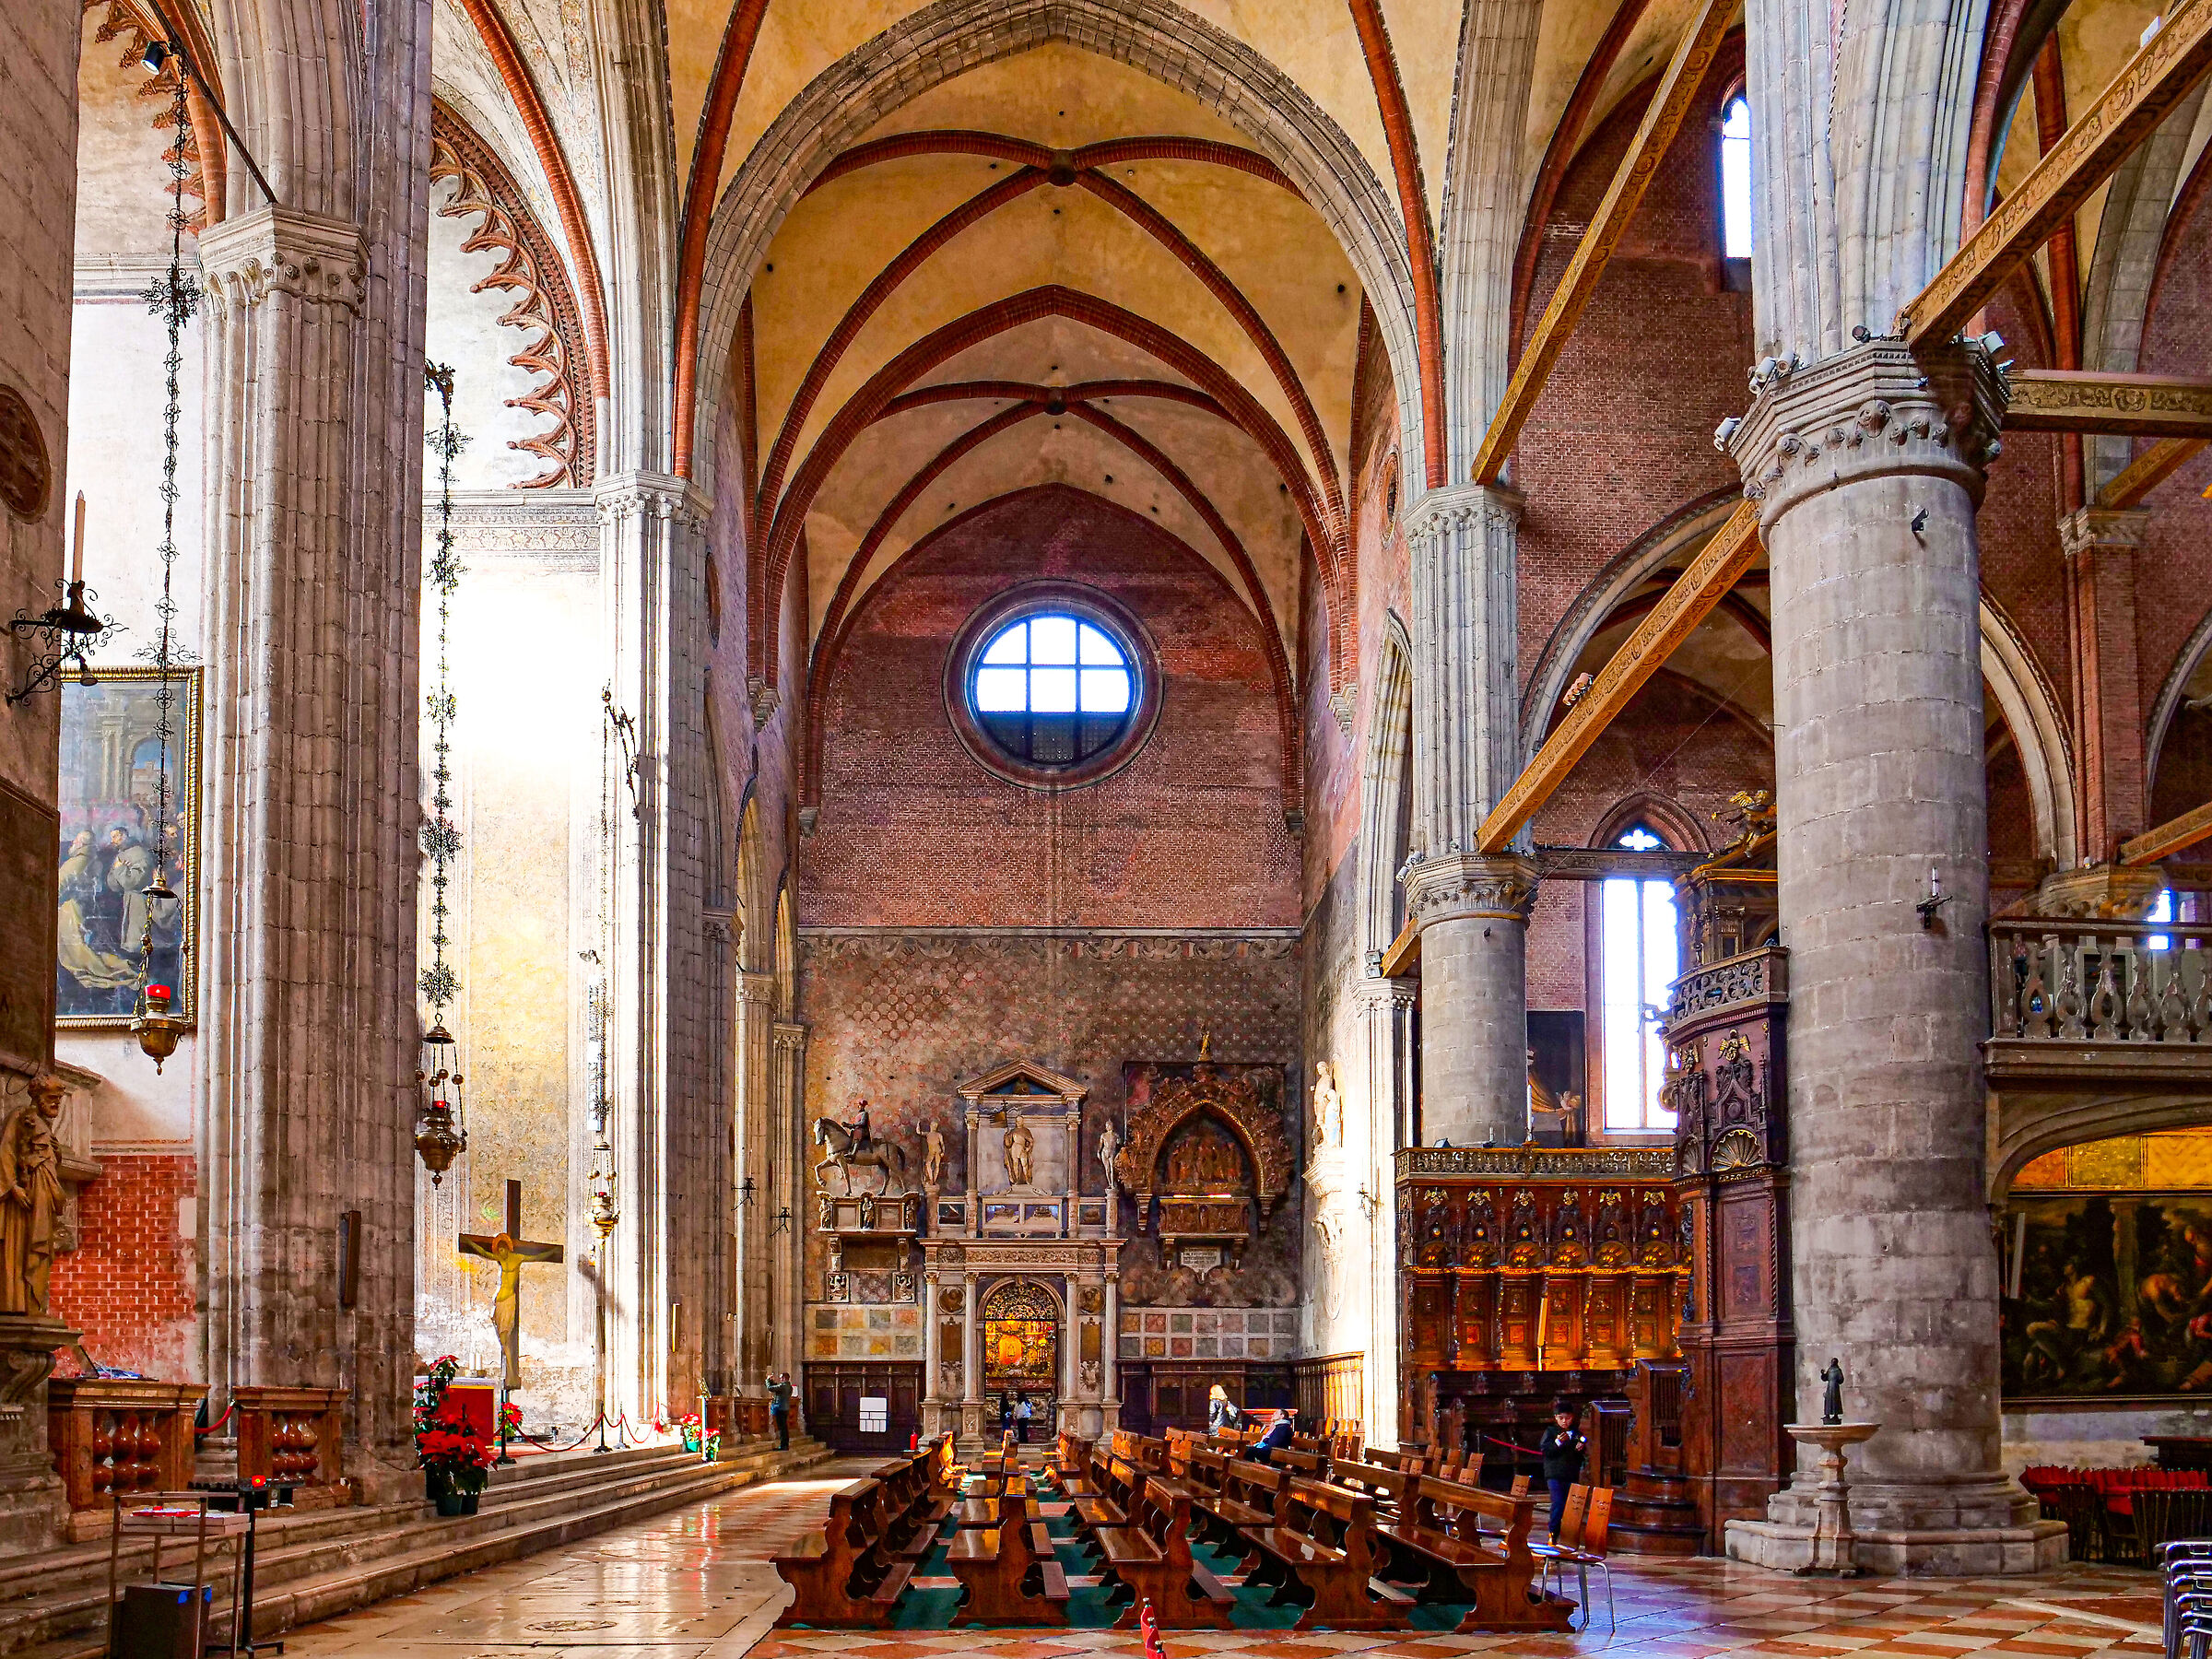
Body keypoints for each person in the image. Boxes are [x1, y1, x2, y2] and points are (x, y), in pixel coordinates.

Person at [1538, 1399, 1586, 1541]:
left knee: (1570, 1505)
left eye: (1568, 1418)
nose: (1564, 1421)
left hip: (1571, 1473)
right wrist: (1558, 1442)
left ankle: (1568, 1535)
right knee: (1558, 1503)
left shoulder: (1576, 1433)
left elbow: (1583, 1440)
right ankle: (1553, 1533)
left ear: (1573, 1417)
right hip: (1554, 1474)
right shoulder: (1551, 1431)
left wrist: (1581, 1446)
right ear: (1556, 1418)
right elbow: (1546, 1450)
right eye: (1561, 1418)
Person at [767, 1371, 793, 1451]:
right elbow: (777, 1387)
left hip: (780, 1408)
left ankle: (783, 1446)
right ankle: (785, 1445)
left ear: (784, 1378)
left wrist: (768, 1380)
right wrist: (772, 1381)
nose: (780, 1379)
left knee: (782, 1428)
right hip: (785, 1408)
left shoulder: (783, 1386)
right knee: (784, 1427)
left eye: (781, 1378)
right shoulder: (789, 1386)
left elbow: (770, 1388)